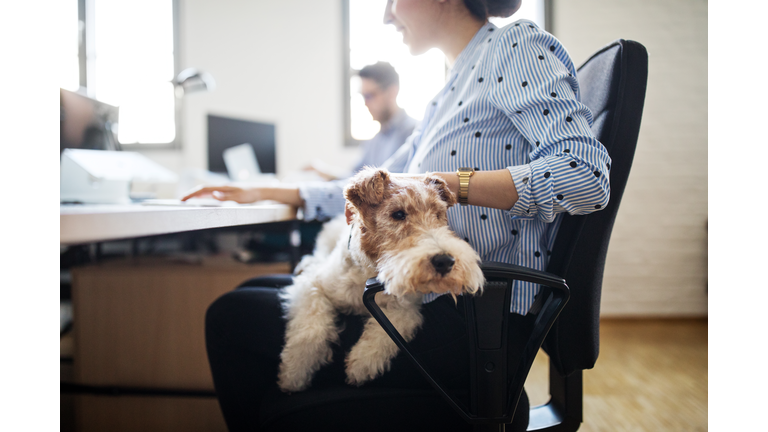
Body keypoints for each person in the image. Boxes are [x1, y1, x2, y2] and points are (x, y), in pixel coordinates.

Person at [186, 0, 612, 430]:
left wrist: (457, 185)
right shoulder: (446, 94)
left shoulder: (515, 46)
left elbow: (587, 174)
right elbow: (378, 188)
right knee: (255, 287)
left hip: (469, 323)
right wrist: (266, 190)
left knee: (229, 317)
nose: (388, 15)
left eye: (392, 0)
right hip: (418, 293)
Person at [306, 61, 419, 181]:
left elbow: (385, 185)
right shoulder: (375, 140)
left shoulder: (414, 132)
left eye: (370, 95)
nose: (365, 103)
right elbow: (356, 178)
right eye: (363, 96)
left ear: (392, 92)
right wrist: (324, 172)